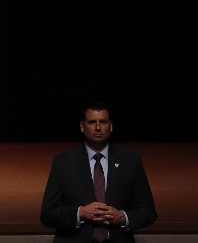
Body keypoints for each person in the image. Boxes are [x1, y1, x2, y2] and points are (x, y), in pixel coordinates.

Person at [40, 101, 157, 242]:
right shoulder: (63, 163)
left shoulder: (130, 161)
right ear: (82, 126)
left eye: (103, 122)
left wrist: (122, 217)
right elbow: (47, 214)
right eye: (92, 122)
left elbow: (148, 212)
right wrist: (80, 213)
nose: (97, 127)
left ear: (111, 126)